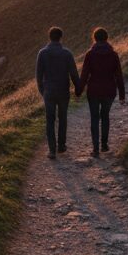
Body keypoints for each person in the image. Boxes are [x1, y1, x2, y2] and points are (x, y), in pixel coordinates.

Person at [77, 27, 125, 158]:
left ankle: (96, 149)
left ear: (95, 38)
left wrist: (79, 91)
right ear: (107, 38)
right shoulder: (113, 54)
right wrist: (122, 95)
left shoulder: (90, 54)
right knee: (105, 116)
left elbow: (85, 75)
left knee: (94, 118)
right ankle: (104, 144)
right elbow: (119, 76)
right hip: (109, 90)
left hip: (93, 90)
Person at [35, 26, 80, 159]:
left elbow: (38, 76)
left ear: (49, 37)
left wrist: (42, 91)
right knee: (62, 118)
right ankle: (61, 146)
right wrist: (78, 89)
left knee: (50, 120)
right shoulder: (67, 53)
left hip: (48, 91)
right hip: (63, 91)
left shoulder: (42, 53)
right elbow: (74, 74)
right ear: (61, 37)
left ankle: (51, 150)